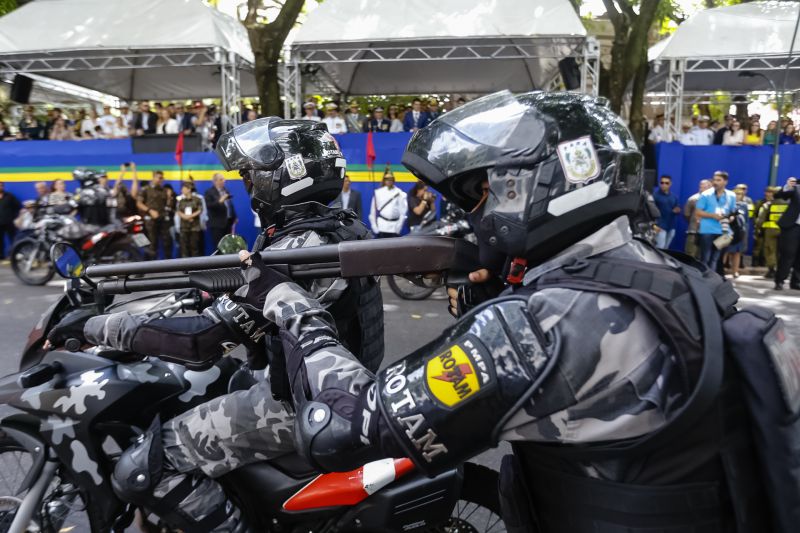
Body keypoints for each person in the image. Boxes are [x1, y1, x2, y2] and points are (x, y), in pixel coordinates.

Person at [213, 91, 785, 533]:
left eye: (486, 192)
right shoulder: (682, 277)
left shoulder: (538, 323)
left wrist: (293, 310)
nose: (477, 212)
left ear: (544, 183)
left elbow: (348, 432)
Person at [48, 118, 384, 532]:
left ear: (284, 177)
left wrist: (95, 327)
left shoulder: (302, 248)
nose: (247, 186)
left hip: (297, 404)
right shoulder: (330, 231)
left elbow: (200, 341)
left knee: (144, 466)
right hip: (322, 388)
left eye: (250, 176)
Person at [695, 170, 736, 271]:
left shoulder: (731, 195)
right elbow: (698, 212)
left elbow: (733, 213)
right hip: (707, 230)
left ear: (725, 182)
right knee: (705, 258)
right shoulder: (705, 195)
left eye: (719, 180)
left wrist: (729, 218)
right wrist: (712, 215)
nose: (715, 182)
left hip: (723, 231)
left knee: (715, 259)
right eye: (714, 180)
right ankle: (703, 279)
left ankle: (711, 281)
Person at [137, 170, 173, 258]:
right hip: (150, 220)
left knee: (167, 242)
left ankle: (169, 265)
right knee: (152, 243)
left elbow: (168, 206)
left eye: (162, 178)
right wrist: (149, 210)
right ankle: (151, 266)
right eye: (159, 178)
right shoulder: (145, 189)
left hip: (163, 219)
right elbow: (139, 203)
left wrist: (169, 198)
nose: (161, 180)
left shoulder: (164, 190)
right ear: (153, 177)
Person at [773, 177, 800, 290]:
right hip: (792, 226)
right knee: (787, 254)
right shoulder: (797, 189)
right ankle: (780, 280)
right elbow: (780, 195)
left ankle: (796, 281)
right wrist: (788, 186)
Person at [369, 167, 406, 237]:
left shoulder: (399, 192)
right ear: (384, 180)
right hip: (382, 226)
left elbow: (403, 213)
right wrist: (375, 229)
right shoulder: (378, 192)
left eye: (390, 179)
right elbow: (372, 212)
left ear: (393, 180)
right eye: (387, 179)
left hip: (394, 228)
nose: (389, 181)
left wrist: (398, 229)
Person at [755, 186, 784, 279]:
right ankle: (781, 270)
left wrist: (758, 229)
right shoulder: (788, 204)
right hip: (783, 231)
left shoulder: (768, 205)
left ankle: (771, 270)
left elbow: (760, 220)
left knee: (770, 250)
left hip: (770, 231)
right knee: (781, 251)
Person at [722, 185, 750, 278]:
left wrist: (745, 231)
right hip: (728, 231)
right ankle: (721, 270)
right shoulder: (727, 204)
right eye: (736, 193)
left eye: (740, 194)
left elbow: (746, 220)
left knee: (737, 252)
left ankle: (735, 271)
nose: (738, 195)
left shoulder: (744, 205)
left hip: (739, 231)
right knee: (725, 251)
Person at [204, 173, 237, 248]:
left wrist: (234, 216)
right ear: (215, 181)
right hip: (217, 224)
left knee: (228, 246)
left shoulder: (226, 190)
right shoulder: (209, 192)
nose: (224, 181)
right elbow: (209, 206)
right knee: (218, 246)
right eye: (221, 179)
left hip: (228, 223)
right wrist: (220, 201)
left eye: (224, 179)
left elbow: (229, 205)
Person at [684, 179, 712, 259]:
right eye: (704, 186)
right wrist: (693, 223)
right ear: (700, 187)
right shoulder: (693, 199)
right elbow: (687, 214)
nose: (707, 188)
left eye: (709, 187)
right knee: (690, 254)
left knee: (702, 256)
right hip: (694, 231)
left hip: (706, 233)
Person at [175, 181, 203, 257]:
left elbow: (200, 210)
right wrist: (185, 217)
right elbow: (178, 211)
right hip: (184, 227)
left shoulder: (197, 199)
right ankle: (185, 267)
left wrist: (190, 216)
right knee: (184, 248)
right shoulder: (180, 201)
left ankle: (196, 267)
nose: (182, 190)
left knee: (194, 248)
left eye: (183, 188)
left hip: (194, 227)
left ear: (189, 189)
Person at [653, 174, 680, 249]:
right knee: (659, 248)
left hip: (671, 226)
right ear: (659, 183)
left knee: (666, 248)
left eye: (666, 183)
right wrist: (654, 226)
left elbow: (677, 209)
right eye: (662, 183)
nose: (664, 185)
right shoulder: (655, 196)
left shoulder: (674, 197)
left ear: (670, 184)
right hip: (659, 226)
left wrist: (677, 210)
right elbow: (650, 211)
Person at [0, 181, 21, 261]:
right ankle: (1, 257)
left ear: (3, 187)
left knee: (13, 240)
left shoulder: (9, 196)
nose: (0, 187)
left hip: (9, 222)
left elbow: (18, 206)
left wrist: (15, 217)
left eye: (1, 185)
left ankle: (13, 256)